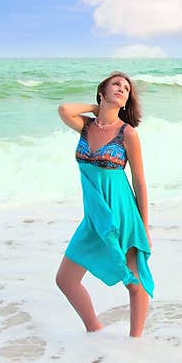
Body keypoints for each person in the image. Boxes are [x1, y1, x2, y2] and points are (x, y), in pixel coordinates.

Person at [55, 71, 154, 337]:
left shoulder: (127, 133)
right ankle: (95, 331)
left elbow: (139, 181)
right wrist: (96, 108)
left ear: (126, 101)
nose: (122, 89)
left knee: (133, 281)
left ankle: (136, 342)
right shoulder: (85, 127)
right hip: (94, 216)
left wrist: (144, 227)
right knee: (65, 279)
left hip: (121, 212)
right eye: (116, 85)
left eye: (126, 88)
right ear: (103, 91)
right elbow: (64, 109)